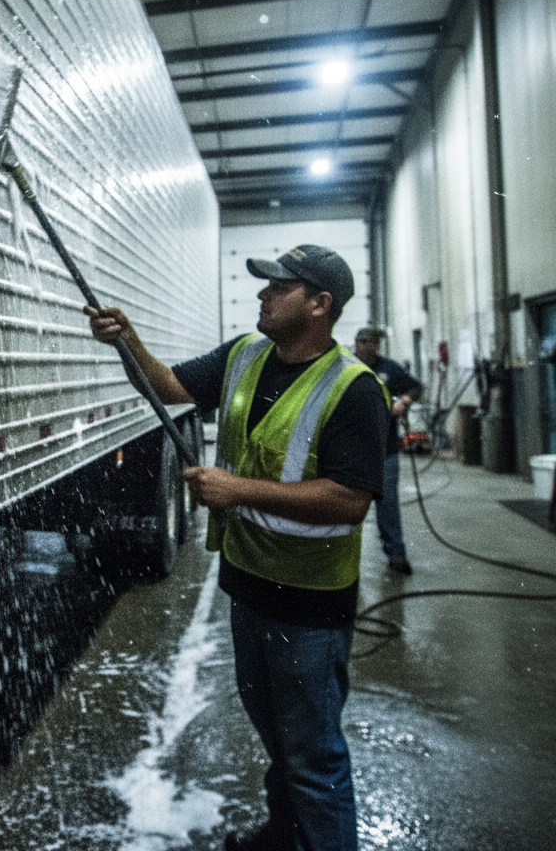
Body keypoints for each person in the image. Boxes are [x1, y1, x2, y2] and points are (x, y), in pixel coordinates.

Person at [85, 244, 389, 851]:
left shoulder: (355, 389)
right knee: (278, 737)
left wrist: (237, 489)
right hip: (248, 585)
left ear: (320, 304)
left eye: (279, 286)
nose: (262, 294)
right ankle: (285, 833)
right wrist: (127, 340)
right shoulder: (245, 354)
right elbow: (168, 386)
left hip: (309, 603)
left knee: (313, 757)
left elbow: (350, 500)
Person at [353, 326, 423, 575]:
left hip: (385, 448)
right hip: (352, 449)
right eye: (363, 341)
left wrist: (404, 401)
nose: (367, 346)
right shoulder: (346, 366)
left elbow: (415, 387)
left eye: (372, 342)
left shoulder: (389, 369)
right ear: (356, 343)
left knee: (388, 502)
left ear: (378, 344)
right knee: (347, 504)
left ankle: (396, 554)